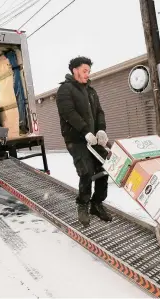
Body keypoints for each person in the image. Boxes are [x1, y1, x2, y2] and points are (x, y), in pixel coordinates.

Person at [56, 56, 113, 227]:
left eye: (89, 71)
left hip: (93, 138)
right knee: (86, 171)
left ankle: (97, 204)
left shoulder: (91, 91)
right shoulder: (65, 90)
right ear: (74, 70)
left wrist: (101, 129)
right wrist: (85, 131)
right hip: (76, 140)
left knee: (105, 168)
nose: (87, 74)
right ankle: (83, 204)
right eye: (84, 71)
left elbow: (99, 112)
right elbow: (69, 113)